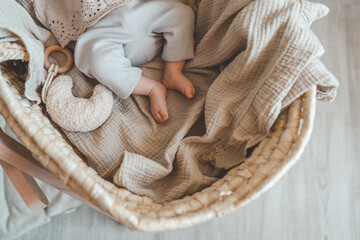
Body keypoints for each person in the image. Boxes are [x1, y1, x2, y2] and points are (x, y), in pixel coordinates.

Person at [74, 0, 195, 123]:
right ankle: (151, 88)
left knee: (181, 13)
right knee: (95, 60)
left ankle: (173, 71)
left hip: (137, 10)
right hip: (102, 27)